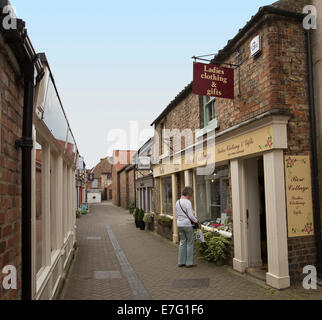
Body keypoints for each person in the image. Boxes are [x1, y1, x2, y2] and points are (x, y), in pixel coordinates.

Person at [176, 187, 201, 268]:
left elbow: (177, 214)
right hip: (187, 224)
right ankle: (189, 263)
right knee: (190, 243)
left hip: (179, 224)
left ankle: (181, 262)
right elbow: (190, 215)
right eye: (191, 194)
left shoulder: (177, 202)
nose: (191, 196)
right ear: (189, 194)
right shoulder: (187, 202)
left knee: (182, 242)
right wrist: (197, 221)